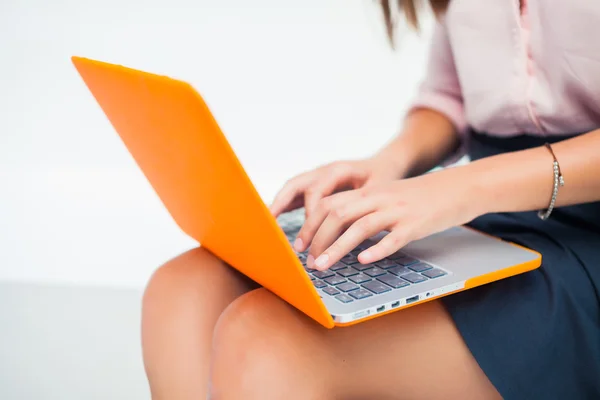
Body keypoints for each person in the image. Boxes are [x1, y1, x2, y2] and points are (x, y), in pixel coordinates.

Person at [141, 0, 600, 398]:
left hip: (582, 234)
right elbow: (451, 97)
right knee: (183, 288)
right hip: (496, 214)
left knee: (264, 338)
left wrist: (463, 188)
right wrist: (390, 165)